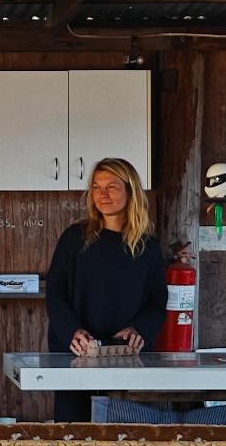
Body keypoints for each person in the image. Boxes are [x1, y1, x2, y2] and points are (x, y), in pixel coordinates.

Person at [45, 156, 167, 423]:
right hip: (76, 358)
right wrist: (72, 332)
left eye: (111, 186)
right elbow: (55, 294)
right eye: (96, 187)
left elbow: (157, 302)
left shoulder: (148, 247)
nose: (102, 194)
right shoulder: (74, 239)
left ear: (130, 190)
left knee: (127, 440)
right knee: (74, 439)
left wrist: (139, 329)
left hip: (127, 359)